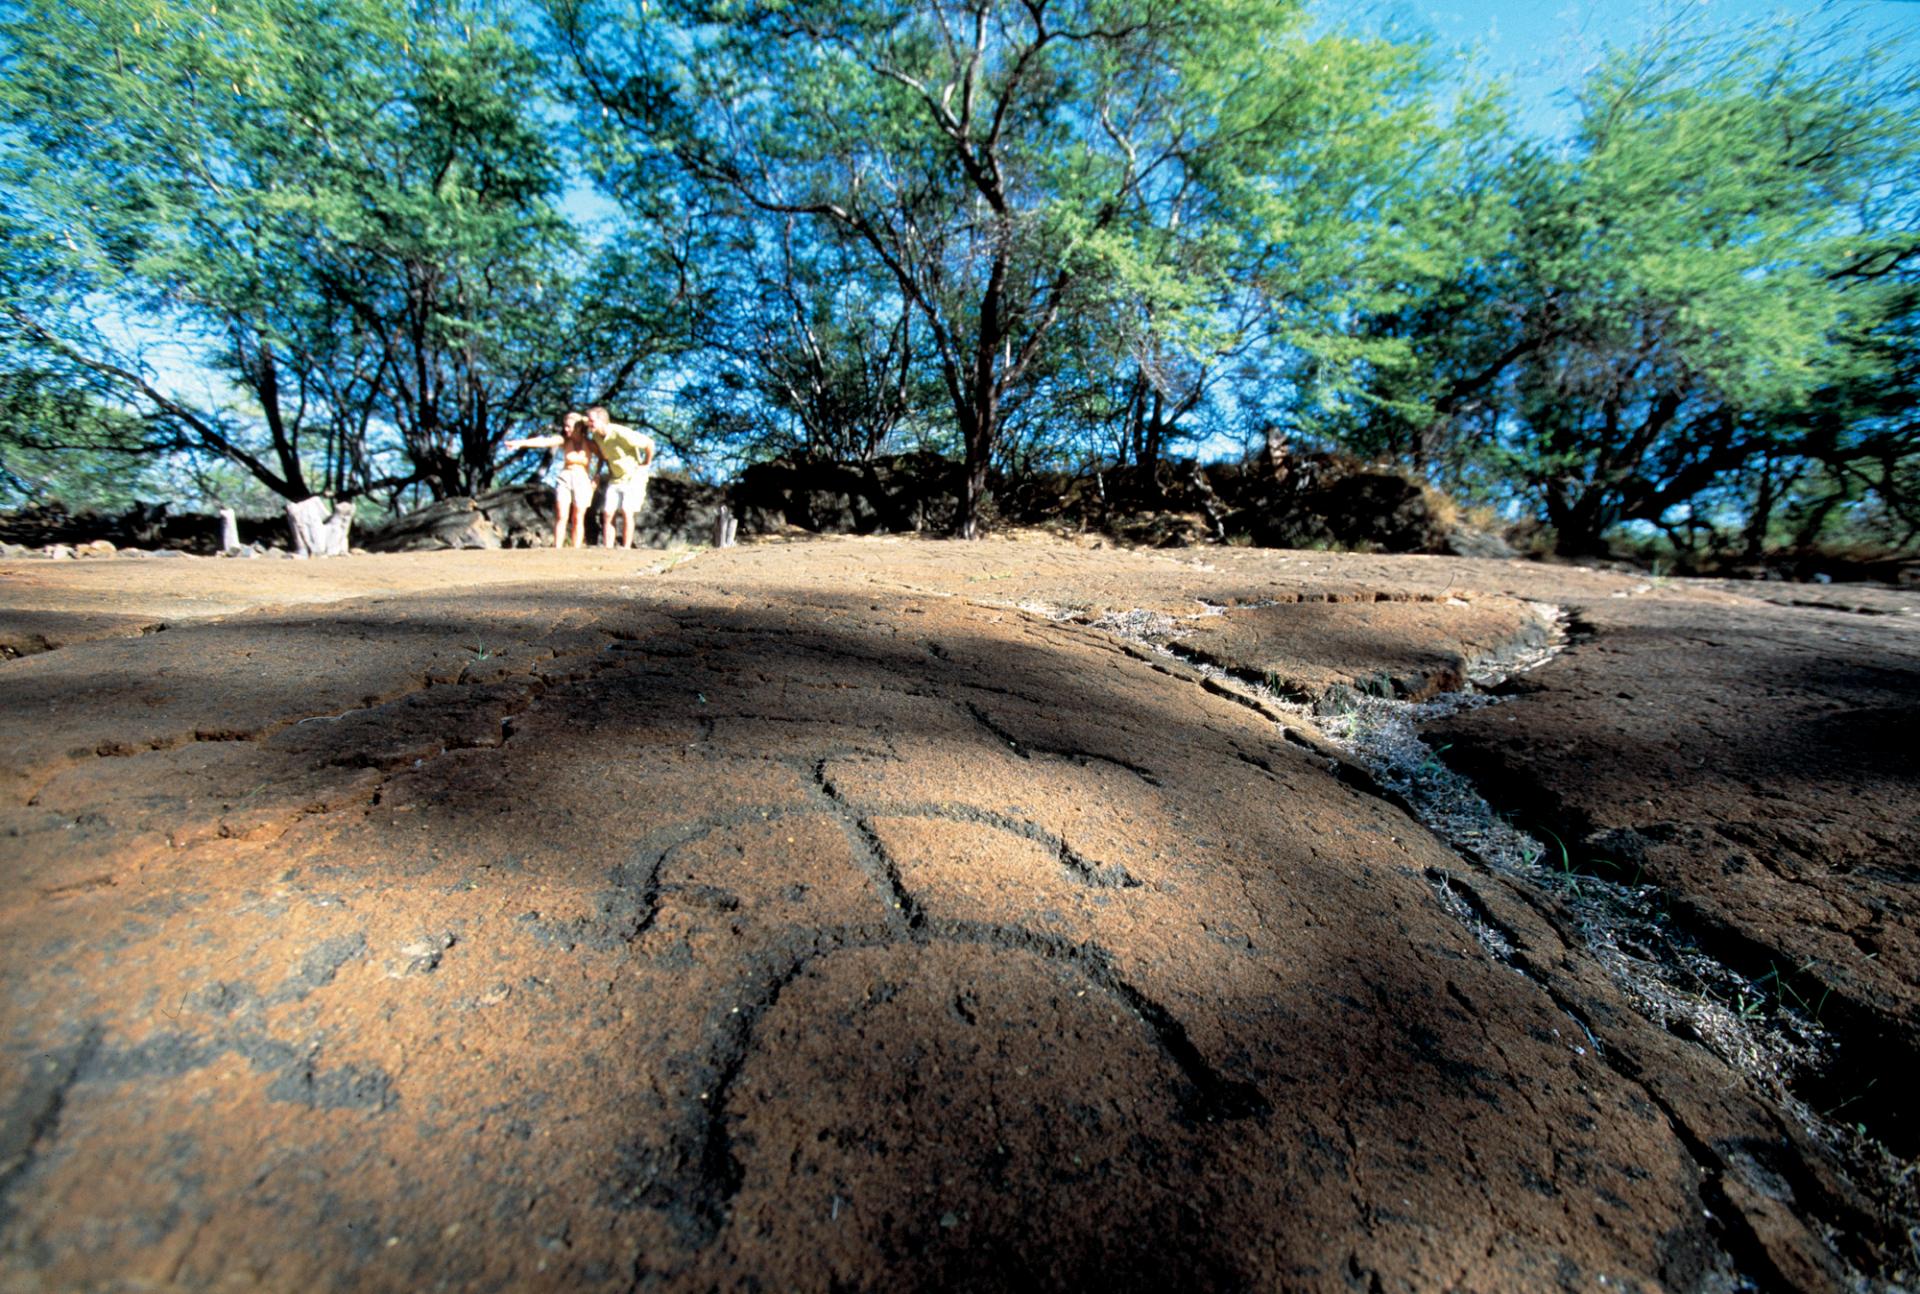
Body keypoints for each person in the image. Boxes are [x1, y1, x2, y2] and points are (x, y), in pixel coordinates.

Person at [504, 413, 602, 548]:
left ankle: (576, 548)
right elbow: (544, 441)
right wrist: (520, 443)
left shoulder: (590, 444)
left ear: (578, 427)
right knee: (562, 515)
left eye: (569, 426)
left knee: (578, 517)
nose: (565, 429)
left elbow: (603, 457)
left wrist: (597, 476)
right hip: (565, 477)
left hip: (582, 479)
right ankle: (557, 547)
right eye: (565, 426)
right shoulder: (563, 440)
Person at [586, 405, 657, 549]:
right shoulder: (595, 436)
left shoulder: (620, 432)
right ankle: (608, 548)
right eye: (588, 421)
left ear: (602, 421)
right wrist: (597, 473)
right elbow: (603, 456)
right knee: (607, 513)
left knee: (626, 511)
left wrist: (646, 463)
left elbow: (649, 443)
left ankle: (626, 548)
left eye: (592, 421)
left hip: (633, 477)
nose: (589, 423)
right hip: (616, 478)